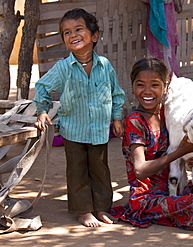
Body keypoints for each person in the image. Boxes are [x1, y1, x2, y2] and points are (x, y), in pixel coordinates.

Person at [109, 57, 193, 230]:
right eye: (140, 85)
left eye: (155, 85)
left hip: (176, 188)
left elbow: (192, 140)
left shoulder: (167, 114)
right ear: (132, 87)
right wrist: (180, 151)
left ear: (165, 87)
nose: (147, 91)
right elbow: (140, 171)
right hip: (148, 198)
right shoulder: (135, 122)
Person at [33, 8, 126, 227]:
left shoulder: (105, 66)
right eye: (66, 32)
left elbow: (117, 93)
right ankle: (83, 210)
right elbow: (42, 87)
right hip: (73, 130)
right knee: (77, 170)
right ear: (64, 40)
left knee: (100, 169)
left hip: (99, 130)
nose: (72, 34)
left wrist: (117, 118)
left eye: (78, 29)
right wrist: (42, 110)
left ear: (94, 36)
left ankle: (102, 207)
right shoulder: (64, 68)